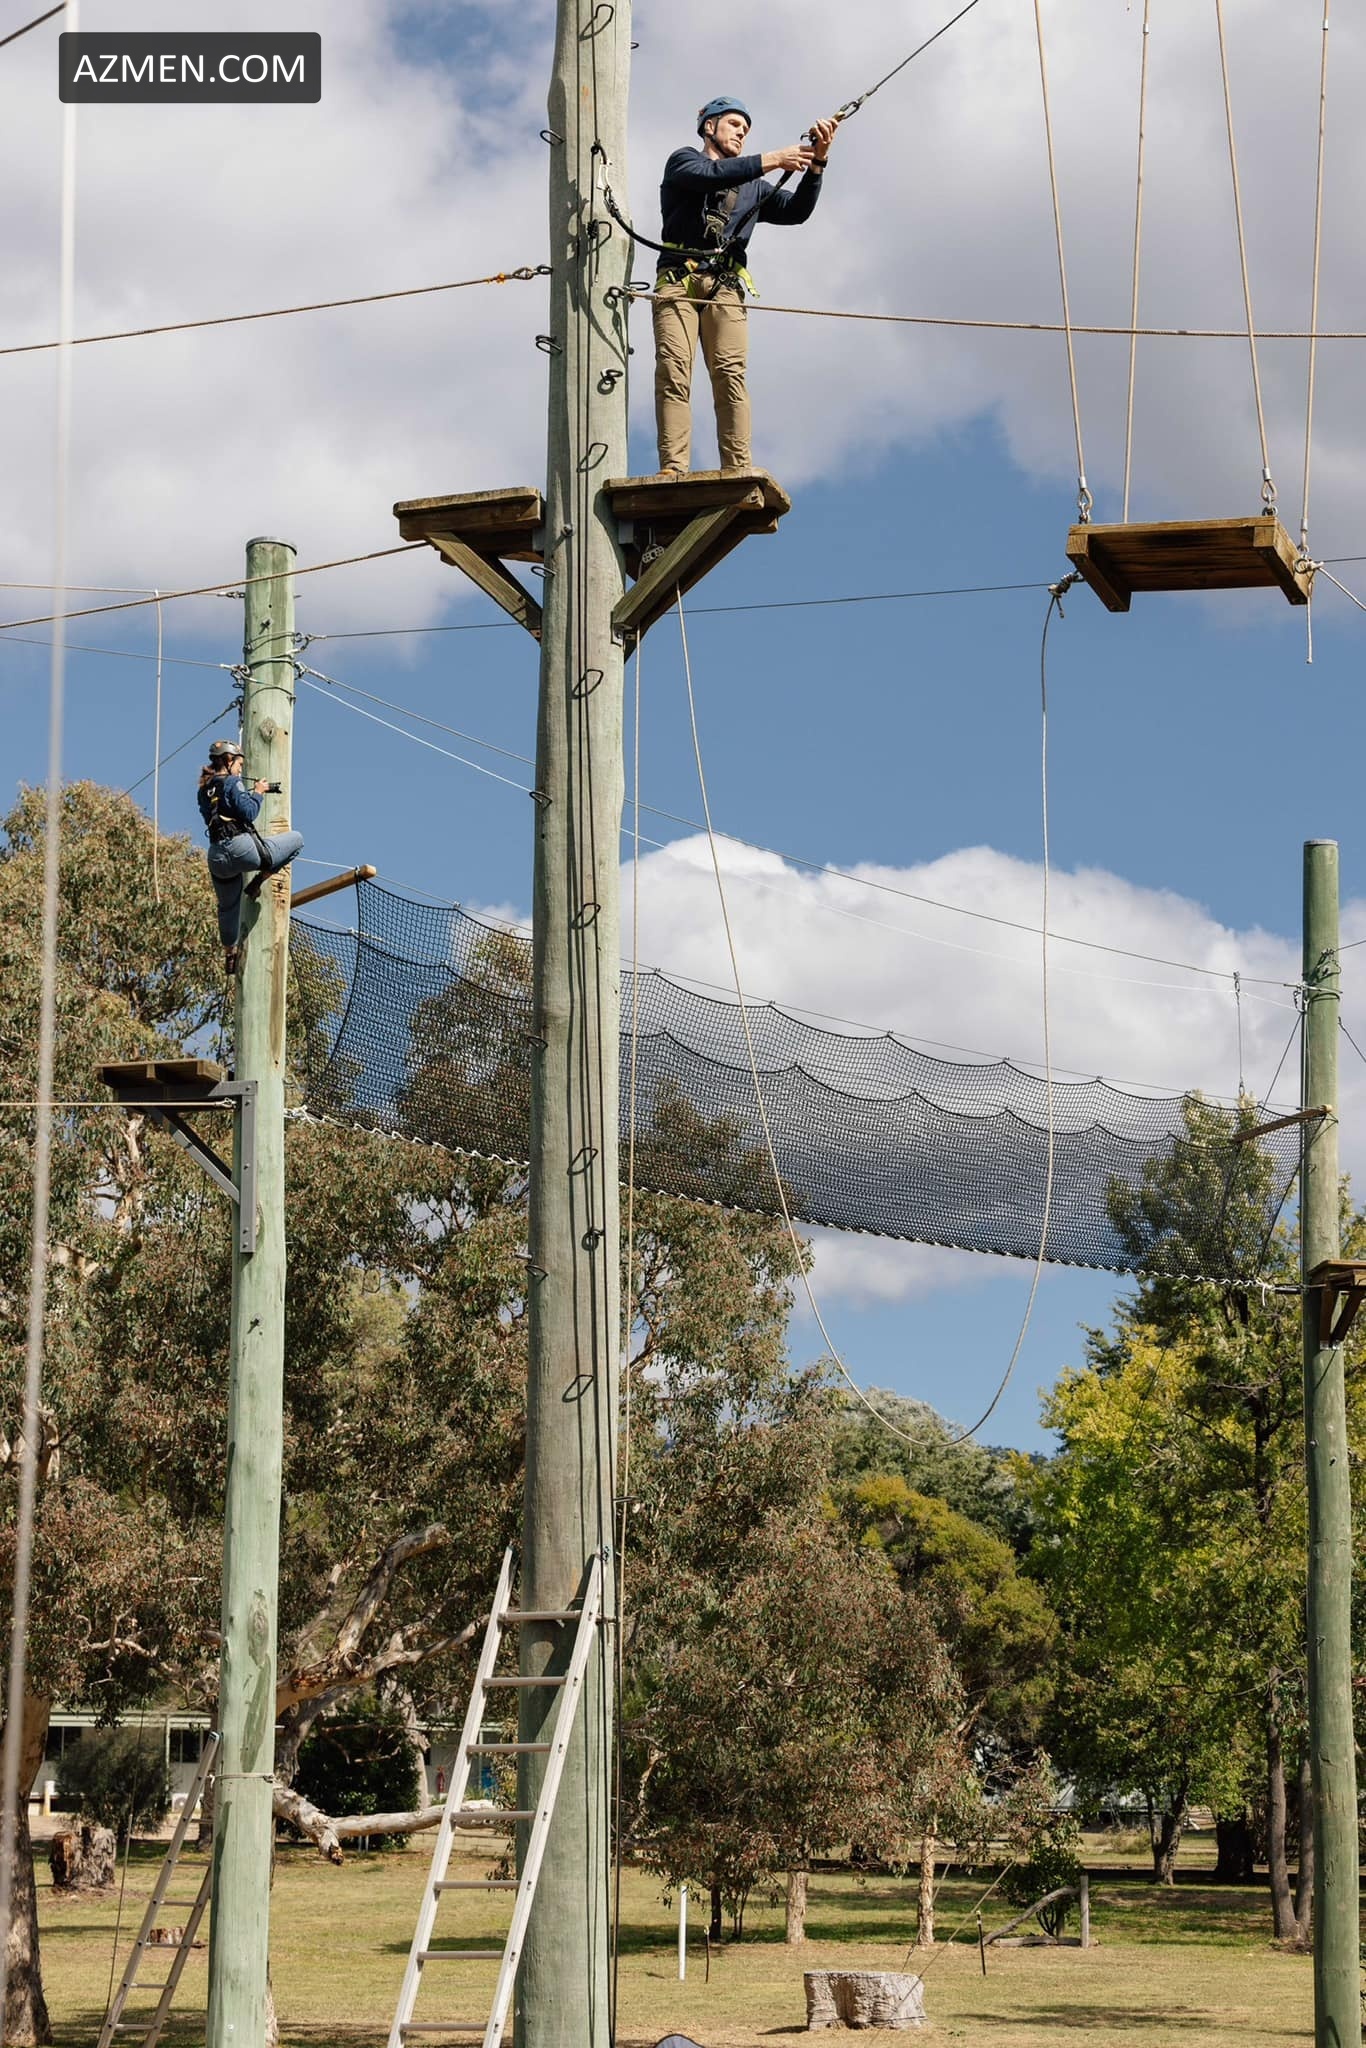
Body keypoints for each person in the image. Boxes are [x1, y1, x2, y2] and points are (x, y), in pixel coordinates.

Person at [653, 96, 838, 477]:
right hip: (678, 280)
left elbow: (796, 211)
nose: (741, 132)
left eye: (746, 129)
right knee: (674, 370)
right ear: (709, 126)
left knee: (730, 374)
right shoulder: (683, 161)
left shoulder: (753, 187)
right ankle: (673, 468)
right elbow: (709, 176)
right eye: (734, 124)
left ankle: (736, 468)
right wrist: (773, 159)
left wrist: (817, 161)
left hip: (725, 285)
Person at [197, 738, 304, 973]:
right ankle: (257, 882)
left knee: (227, 907)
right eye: (239, 764)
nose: (240, 769)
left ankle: (229, 952)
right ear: (229, 760)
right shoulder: (232, 782)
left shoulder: (204, 790)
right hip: (241, 849)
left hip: (216, 857)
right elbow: (248, 813)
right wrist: (257, 793)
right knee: (297, 840)